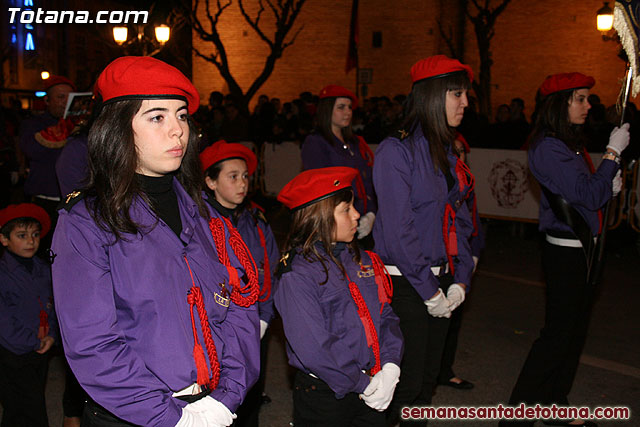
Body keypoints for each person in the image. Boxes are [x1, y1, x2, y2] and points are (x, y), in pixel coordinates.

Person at [50, 56, 260, 427]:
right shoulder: (88, 223)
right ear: (118, 129)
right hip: (134, 416)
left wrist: (225, 398)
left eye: (181, 115)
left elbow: (239, 307)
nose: (177, 130)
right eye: (157, 117)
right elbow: (94, 343)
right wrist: (172, 418)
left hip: (212, 405)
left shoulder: (207, 216)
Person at [501, 73, 630, 427]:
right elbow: (587, 194)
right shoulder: (548, 146)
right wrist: (613, 154)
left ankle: (555, 403)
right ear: (560, 104)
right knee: (557, 336)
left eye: (588, 99)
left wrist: (609, 184)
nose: (588, 106)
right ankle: (516, 415)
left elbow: (588, 193)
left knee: (573, 334)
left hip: (584, 248)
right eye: (580, 99)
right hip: (567, 252)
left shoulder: (568, 143)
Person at [372, 55, 476, 426]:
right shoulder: (395, 151)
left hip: (440, 279)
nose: (465, 102)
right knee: (405, 383)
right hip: (405, 283)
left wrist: (461, 278)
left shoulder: (446, 152)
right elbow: (400, 232)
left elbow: (459, 220)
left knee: (428, 382)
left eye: (465, 94)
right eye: (456, 94)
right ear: (432, 96)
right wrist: (430, 291)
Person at [274, 166, 404, 427]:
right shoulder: (297, 275)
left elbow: (385, 314)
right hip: (327, 394)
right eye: (346, 209)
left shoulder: (361, 259)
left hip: (375, 378)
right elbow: (314, 346)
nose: (357, 215)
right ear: (318, 217)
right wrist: (362, 383)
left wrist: (391, 366)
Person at [200, 140, 280, 426]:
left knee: (249, 398)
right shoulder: (197, 222)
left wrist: (264, 317)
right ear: (210, 181)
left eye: (245, 176)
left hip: (255, 319)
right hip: (215, 324)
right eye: (232, 176)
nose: (242, 184)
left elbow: (269, 270)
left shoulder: (255, 220)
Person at [0, 203, 56, 427]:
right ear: (4, 239)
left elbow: (53, 303)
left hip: (40, 349)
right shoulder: (4, 275)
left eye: (35, 235)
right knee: (31, 411)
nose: (31, 241)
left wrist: (52, 335)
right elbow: (3, 321)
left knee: (19, 410)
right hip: (13, 353)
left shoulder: (44, 269)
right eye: (21, 235)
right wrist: (31, 341)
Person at [437, 133, 485, 391]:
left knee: (454, 319)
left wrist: (474, 254)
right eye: (452, 151)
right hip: (442, 259)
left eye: (461, 151)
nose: (458, 156)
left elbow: (474, 224)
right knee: (435, 321)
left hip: (461, 259)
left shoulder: (468, 184)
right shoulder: (440, 184)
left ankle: (444, 370)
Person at [301, 85, 377, 243]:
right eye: (341, 107)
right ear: (327, 110)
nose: (348, 112)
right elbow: (320, 188)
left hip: (361, 219)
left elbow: (367, 179)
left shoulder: (356, 142)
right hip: (335, 222)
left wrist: (371, 212)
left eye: (349, 107)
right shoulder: (316, 142)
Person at [19, 75, 75, 243]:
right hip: (44, 200)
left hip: (72, 202)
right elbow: (31, 151)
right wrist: (61, 129)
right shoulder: (33, 124)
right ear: (48, 100)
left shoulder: (79, 125)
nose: (65, 102)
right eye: (60, 97)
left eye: (69, 98)